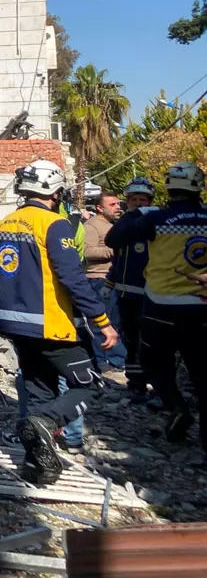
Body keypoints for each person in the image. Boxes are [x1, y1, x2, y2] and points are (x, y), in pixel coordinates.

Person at [0, 160, 118, 485]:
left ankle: (39, 467)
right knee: (90, 385)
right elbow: (73, 278)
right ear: (56, 192)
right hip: (52, 325)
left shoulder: (7, 223)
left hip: (14, 325)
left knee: (40, 389)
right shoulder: (54, 223)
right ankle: (47, 423)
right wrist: (102, 320)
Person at [107, 162, 207, 452]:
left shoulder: (157, 218)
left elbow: (114, 239)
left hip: (162, 305)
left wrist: (137, 212)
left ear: (167, 187)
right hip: (201, 307)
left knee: (154, 362)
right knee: (202, 372)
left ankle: (176, 406)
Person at [106, 177, 156, 400]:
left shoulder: (156, 221)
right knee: (130, 339)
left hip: (152, 292)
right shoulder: (125, 222)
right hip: (126, 292)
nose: (137, 203)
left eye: (142, 199)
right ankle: (135, 382)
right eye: (133, 199)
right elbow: (114, 246)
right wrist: (110, 281)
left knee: (151, 340)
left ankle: (156, 382)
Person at [83, 190, 129, 373]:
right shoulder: (93, 226)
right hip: (98, 279)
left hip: (114, 279)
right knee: (103, 322)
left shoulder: (114, 225)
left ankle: (116, 359)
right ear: (99, 208)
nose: (118, 207)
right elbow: (87, 251)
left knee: (116, 321)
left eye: (118, 204)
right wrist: (114, 251)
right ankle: (106, 361)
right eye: (113, 204)